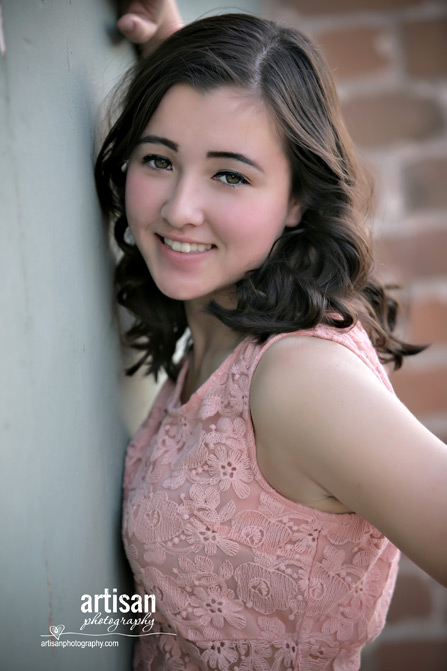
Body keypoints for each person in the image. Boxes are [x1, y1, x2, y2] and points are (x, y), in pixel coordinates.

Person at [95, 2, 447, 668]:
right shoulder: (216, 342)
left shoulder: (298, 379)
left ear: (296, 202)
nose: (178, 208)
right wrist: (179, 57)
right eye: (158, 160)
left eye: (230, 174)